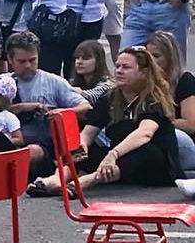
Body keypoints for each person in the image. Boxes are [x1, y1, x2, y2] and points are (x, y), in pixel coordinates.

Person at [28, 47, 180, 195]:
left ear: (143, 72)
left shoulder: (153, 99)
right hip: (117, 161)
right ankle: (57, 179)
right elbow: (89, 131)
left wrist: (113, 154)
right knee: (86, 149)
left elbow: (144, 133)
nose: (119, 71)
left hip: (152, 167)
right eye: (118, 66)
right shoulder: (111, 97)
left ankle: (89, 180)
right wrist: (82, 144)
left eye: (126, 67)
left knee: (146, 151)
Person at [0, 30, 87, 176]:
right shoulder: (0, 83)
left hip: (40, 147)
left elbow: (84, 106)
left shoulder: (53, 81)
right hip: (6, 140)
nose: (28, 65)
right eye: (22, 61)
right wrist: (21, 108)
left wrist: (61, 112)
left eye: (32, 60)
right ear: (10, 59)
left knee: (30, 152)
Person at [147, 30, 195, 177]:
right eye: (148, 57)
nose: (152, 62)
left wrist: (158, 123)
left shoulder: (184, 80)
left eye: (156, 56)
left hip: (183, 143)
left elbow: (191, 125)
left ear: (170, 58)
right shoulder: (146, 82)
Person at [69, 38, 112, 104]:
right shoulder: (72, 82)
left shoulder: (107, 84)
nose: (79, 62)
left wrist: (67, 91)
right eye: (77, 58)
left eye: (85, 58)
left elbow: (90, 97)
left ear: (98, 61)